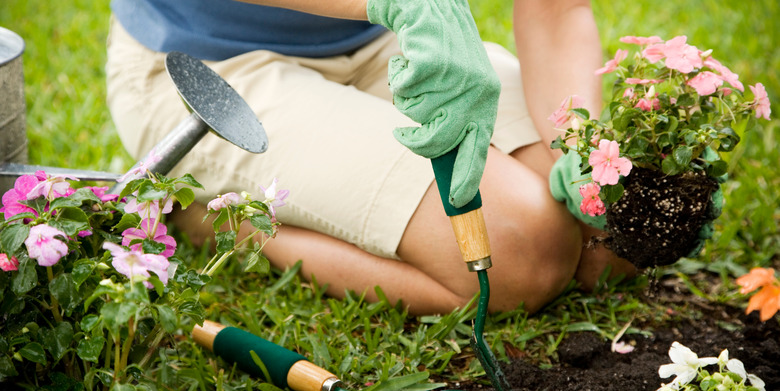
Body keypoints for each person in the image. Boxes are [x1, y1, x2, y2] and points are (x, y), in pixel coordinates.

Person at [106, 0, 636, 316]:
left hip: (386, 37)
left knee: (608, 246)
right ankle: (221, 221)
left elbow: (557, 12)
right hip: (209, 68)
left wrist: (581, 147)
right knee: (520, 257)